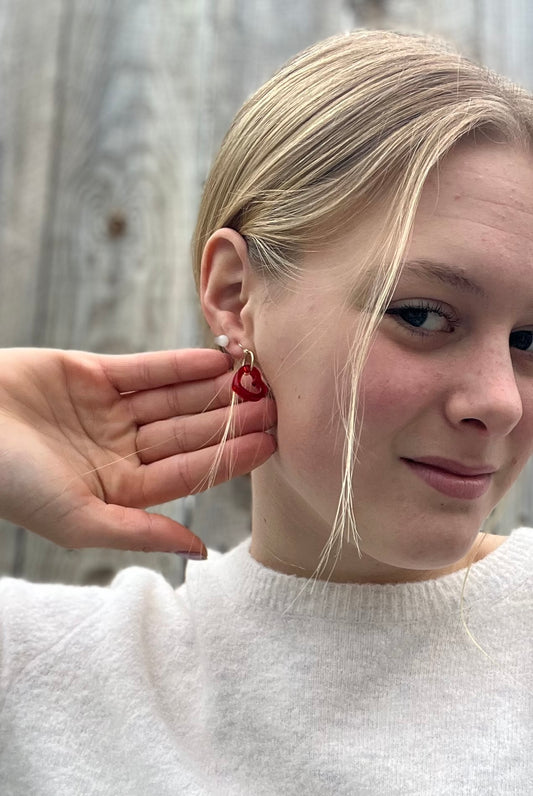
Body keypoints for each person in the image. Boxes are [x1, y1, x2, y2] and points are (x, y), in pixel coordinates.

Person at [1, 28, 532, 795]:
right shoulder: (44, 674)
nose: (498, 401)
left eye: (531, 339)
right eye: (420, 314)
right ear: (233, 295)